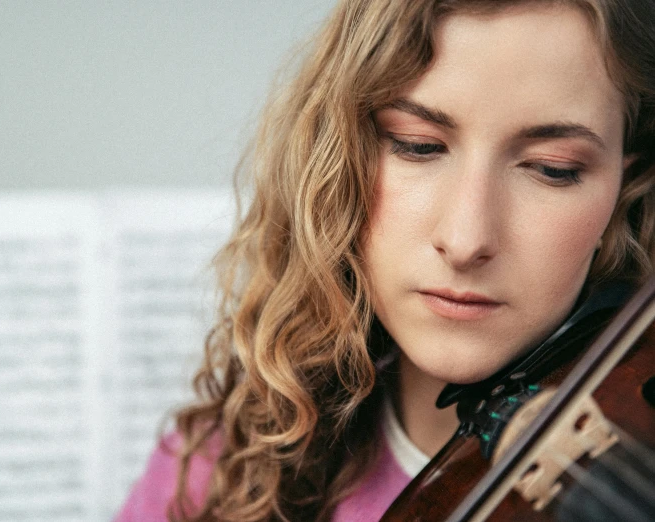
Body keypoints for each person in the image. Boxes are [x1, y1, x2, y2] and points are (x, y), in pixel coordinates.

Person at [116, 0, 655, 520]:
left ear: (623, 187)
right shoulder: (215, 472)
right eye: (417, 145)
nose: (466, 240)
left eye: (551, 168)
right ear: (339, 159)